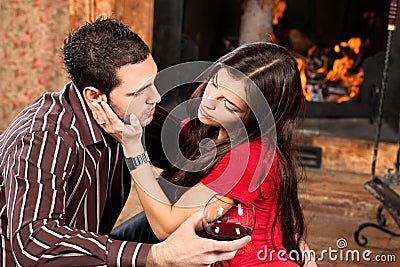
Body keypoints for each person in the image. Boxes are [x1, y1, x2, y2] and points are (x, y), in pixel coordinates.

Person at [0, 17, 251, 266]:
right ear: (95, 96)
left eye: (153, 82)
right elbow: (33, 244)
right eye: (139, 91)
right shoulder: (44, 139)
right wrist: (157, 257)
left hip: (93, 244)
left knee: (188, 217)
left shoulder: (130, 111)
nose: (155, 97)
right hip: (38, 261)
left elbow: (190, 150)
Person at [92, 42, 311, 266]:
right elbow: (166, 129)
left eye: (228, 104)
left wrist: (133, 148)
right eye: (214, 84)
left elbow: (167, 228)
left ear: (255, 118)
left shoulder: (251, 156)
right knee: (99, 252)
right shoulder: (211, 128)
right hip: (204, 253)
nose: (208, 101)